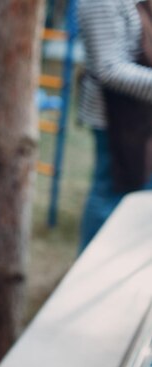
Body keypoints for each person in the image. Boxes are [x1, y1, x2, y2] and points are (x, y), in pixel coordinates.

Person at [77, 0, 152, 251]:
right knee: (109, 194)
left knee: (138, 193)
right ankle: (89, 271)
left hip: (138, 116)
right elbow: (108, 69)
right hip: (113, 119)